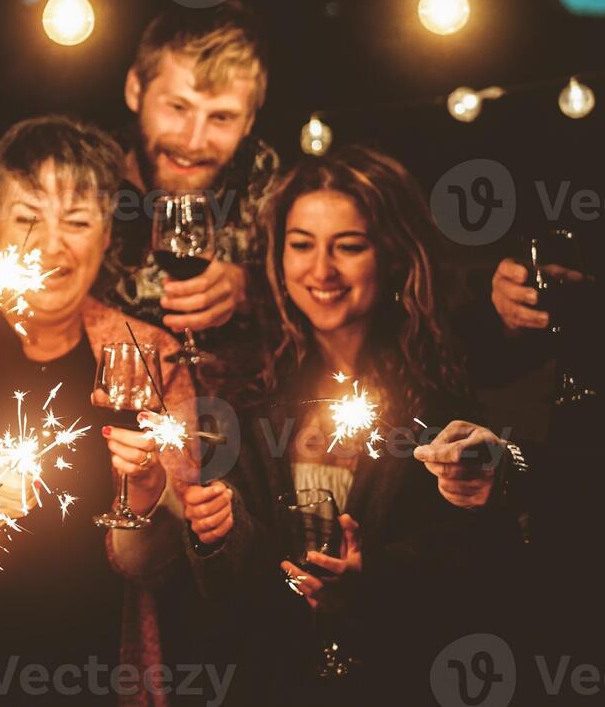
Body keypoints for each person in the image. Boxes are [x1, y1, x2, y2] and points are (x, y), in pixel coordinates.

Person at [0, 116, 222, 706]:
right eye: (28, 218)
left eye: (77, 222)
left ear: (106, 237)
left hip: (98, 666)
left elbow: (157, 567)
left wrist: (151, 491)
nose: (51, 244)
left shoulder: (153, 354)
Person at [210, 146, 522, 701]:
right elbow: (230, 568)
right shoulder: (244, 382)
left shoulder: (443, 378)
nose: (321, 271)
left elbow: (471, 554)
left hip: (401, 677)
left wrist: (369, 584)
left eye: (348, 246)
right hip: (272, 680)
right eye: (301, 244)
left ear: (393, 253)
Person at [0, 3, 277, 390]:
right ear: (136, 91)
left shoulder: (270, 190)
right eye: (178, 108)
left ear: (249, 120)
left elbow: (331, 295)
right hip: (91, 411)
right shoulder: (86, 177)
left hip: (243, 435)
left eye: (221, 117)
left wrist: (250, 289)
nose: (193, 139)